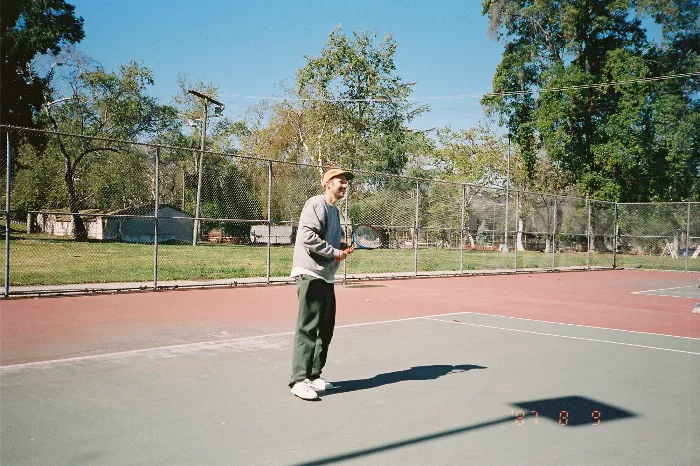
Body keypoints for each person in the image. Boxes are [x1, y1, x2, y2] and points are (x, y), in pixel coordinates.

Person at [288, 167, 354, 400]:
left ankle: (314, 376)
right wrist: (335, 253)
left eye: (346, 182)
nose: (344, 185)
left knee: (325, 327)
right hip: (310, 272)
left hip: (326, 275)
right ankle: (298, 379)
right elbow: (307, 236)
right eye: (340, 181)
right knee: (308, 325)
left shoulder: (334, 212)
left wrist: (341, 246)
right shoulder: (316, 203)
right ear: (327, 184)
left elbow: (328, 239)